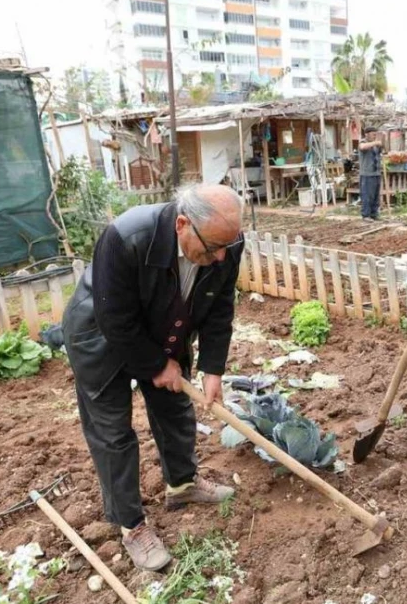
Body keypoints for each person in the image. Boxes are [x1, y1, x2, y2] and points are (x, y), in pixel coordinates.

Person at [62, 184, 244, 571]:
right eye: (213, 248)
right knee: (113, 433)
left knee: (176, 409)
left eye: (228, 246)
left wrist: (214, 367)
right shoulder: (127, 236)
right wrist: (157, 365)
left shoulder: (225, 244)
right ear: (182, 224)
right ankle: (131, 526)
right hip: (100, 336)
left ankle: (182, 484)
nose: (221, 257)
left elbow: (220, 306)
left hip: (166, 325)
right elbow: (115, 319)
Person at [358, 127, 384, 220]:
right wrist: (376, 142)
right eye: (373, 134)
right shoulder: (363, 142)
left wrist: (380, 144)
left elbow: (381, 151)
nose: (374, 136)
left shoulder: (375, 145)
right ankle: (366, 215)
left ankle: (374, 214)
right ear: (367, 134)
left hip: (376, 173)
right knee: (367, 195)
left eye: (375, 134)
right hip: (367, 174)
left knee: (375, 196)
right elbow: (362, 147)